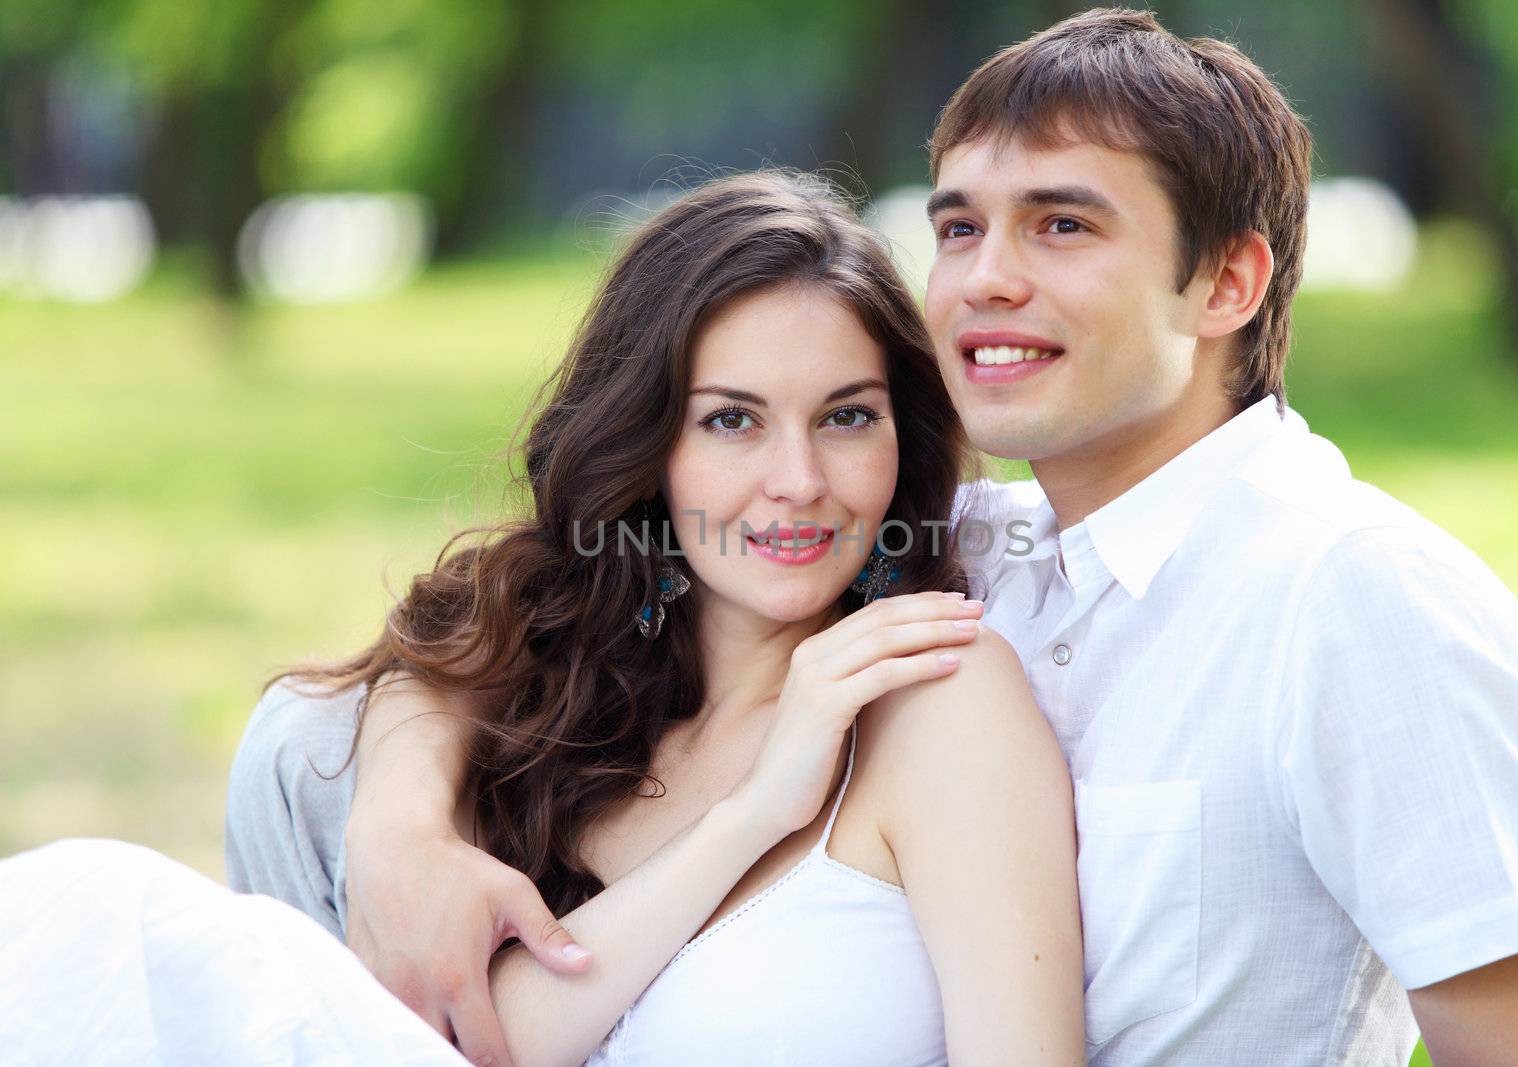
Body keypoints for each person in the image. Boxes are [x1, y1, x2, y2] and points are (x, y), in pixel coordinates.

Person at [267, 8, 1518, 1065]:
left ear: (1228, 281)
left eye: (1061, 223)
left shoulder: (1355, 596)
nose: (981, 276)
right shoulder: (966, 538)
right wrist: (403, 822)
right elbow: (533, 585)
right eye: (959, 224)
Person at [224, 168, 1086, 1066]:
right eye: (731, 421)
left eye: (846, 416)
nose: (799, 481)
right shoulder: (564, 701)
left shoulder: (940, 698)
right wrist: (750, 814)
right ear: (645, 443)